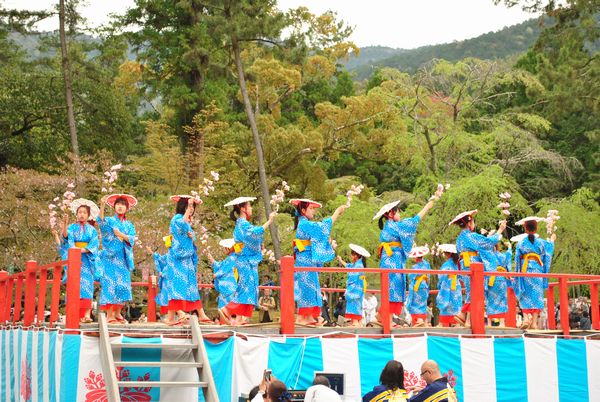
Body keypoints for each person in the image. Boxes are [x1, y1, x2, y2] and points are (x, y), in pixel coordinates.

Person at [374, 186, 442, 328]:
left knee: (394, 288)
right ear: (391, 214)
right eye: (398, 211)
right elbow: (413, 222)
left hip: (392, 260)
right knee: (393, 288)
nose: (400, 214)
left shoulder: (390, 226)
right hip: (392, 262)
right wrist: (429, 205)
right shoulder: (393, 226)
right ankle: (386, 318)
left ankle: (383, 316)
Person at [291, 198, 348, 326]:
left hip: (307, 259)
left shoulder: (304, 223)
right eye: (311, 208)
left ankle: (308, 316)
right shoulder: (304, 224)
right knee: (308, 288)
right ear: (303, 210)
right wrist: (337, 212)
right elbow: (323, 227)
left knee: (311, 288)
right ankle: (302, 317)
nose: (313, 211)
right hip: (305, 260)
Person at [449, 210, 506, 328]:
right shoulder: (472, 236)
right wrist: (500, 230)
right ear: (469, 223)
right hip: (473, 264)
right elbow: (490, 242)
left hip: (465, 265)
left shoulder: (459, 239)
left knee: (472, 291)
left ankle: (467, 318)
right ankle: (463, 314)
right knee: (475, 290)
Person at [225, 196, 277, 325]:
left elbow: (253, 238)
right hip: (244, 260)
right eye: (249, 206)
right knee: (245, 288)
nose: (251, 208)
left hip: (246, 260)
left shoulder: (243, 223)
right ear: (243, 209)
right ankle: (229, 310)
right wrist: (269, 221)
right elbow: (254, 234)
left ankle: (240, 318)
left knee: (250, 288)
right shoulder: (242, 223)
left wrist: (259, 245)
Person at [163, 195, 211, 326]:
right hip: (177, 258)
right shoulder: (177, 219)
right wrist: (188, 209)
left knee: (190, 286)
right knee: (177, 286)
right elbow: (182, 225)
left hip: (187, 259)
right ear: (183, 207)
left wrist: (192, 235)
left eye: (193, 207)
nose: (191, 210)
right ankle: (173, 317)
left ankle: (197, 315)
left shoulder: (187, 221)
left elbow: (189, 235)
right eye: (189, 207)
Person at [97, 194, 137, 324]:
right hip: (110, 257)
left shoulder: (129, 225)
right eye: (118, 204)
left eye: (123, 205)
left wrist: (120, 234)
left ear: (127, 208)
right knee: (111, 284)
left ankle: (118, 312)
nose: (120, 207)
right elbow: (101, 223)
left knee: (123, 286)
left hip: (123, 257)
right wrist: (102, 205)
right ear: (114, 207)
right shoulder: (110, 220)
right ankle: (109, 315)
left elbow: (132, 239)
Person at [514, 216, 556, 330]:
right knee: (537, 296)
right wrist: (552, 239)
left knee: (525, 294)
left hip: (525, 271)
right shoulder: (541, 243)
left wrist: (517, 275)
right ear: (536, 228)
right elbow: (548, 254)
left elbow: (517, 259)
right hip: (537, 272)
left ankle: (527, 317)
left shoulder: (521, 244)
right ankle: (534, 324)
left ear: (525, 228)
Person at [66, 198, 100, 323]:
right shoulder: (71, 228)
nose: (82, 214)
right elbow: (68, 241)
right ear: (76, 214)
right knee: (74, 285)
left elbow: (94, 244)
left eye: (84, 213)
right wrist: (74, 249)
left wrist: (83, 250)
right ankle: (73, 313)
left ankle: (86, 314)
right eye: (79, 212)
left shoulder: (92, 230)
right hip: (75, 259)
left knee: (86, 286)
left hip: (87, 260)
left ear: (88, 215)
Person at [205, 238, 238, 325]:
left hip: (228, 286)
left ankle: (229, 322)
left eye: (224, 248)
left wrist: (216, 275)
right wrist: (211, 259)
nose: (223, 250)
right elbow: (220, 266)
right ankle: (228, 322)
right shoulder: (231, 258)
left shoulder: (232, 258)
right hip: (228, 286)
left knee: (226, 307)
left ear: (228, 248)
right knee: (225, 307)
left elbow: (223, 269)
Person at [337, 244, 370, 327]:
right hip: (357, 286)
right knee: (355, 303)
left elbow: (353, 277)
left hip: (355, 287)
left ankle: (355, 321)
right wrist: (340, 260)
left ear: (356, 255)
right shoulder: (357, 264)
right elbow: (348, 266)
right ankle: (355, 321)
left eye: (352, 254)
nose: (351, 256)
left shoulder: (358, 265)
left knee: (354, 303)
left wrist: (349, 289)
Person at [486, 241, 512, 327]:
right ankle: (501, 322)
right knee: (501, 300)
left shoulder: (487, 256)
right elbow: (508, 256)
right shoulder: (501, 256)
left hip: (491, 279)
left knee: (490, 300)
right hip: (500, 279)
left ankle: (490, 322)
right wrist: (509, 247)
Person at [435, 244, 462, 327]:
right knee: (455, 303)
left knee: (445, 303)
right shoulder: (457, 263)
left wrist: (439, 285)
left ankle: (441, 323)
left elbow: (441, 276)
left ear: (449, 254)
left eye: (445, 253)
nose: (444, 254)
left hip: (447, 285)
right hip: (456, 285)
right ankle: (457, 324)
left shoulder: (446, 265)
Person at [406, 246, 431, 327]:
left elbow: (410, 277)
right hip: (424, 285)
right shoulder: (427, 264)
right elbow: (429, 276)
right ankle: (425, 322)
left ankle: (419, 320)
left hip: (417, 286)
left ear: (416, 257)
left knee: (415, 304)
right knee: (423, 303)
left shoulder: (415, 267)